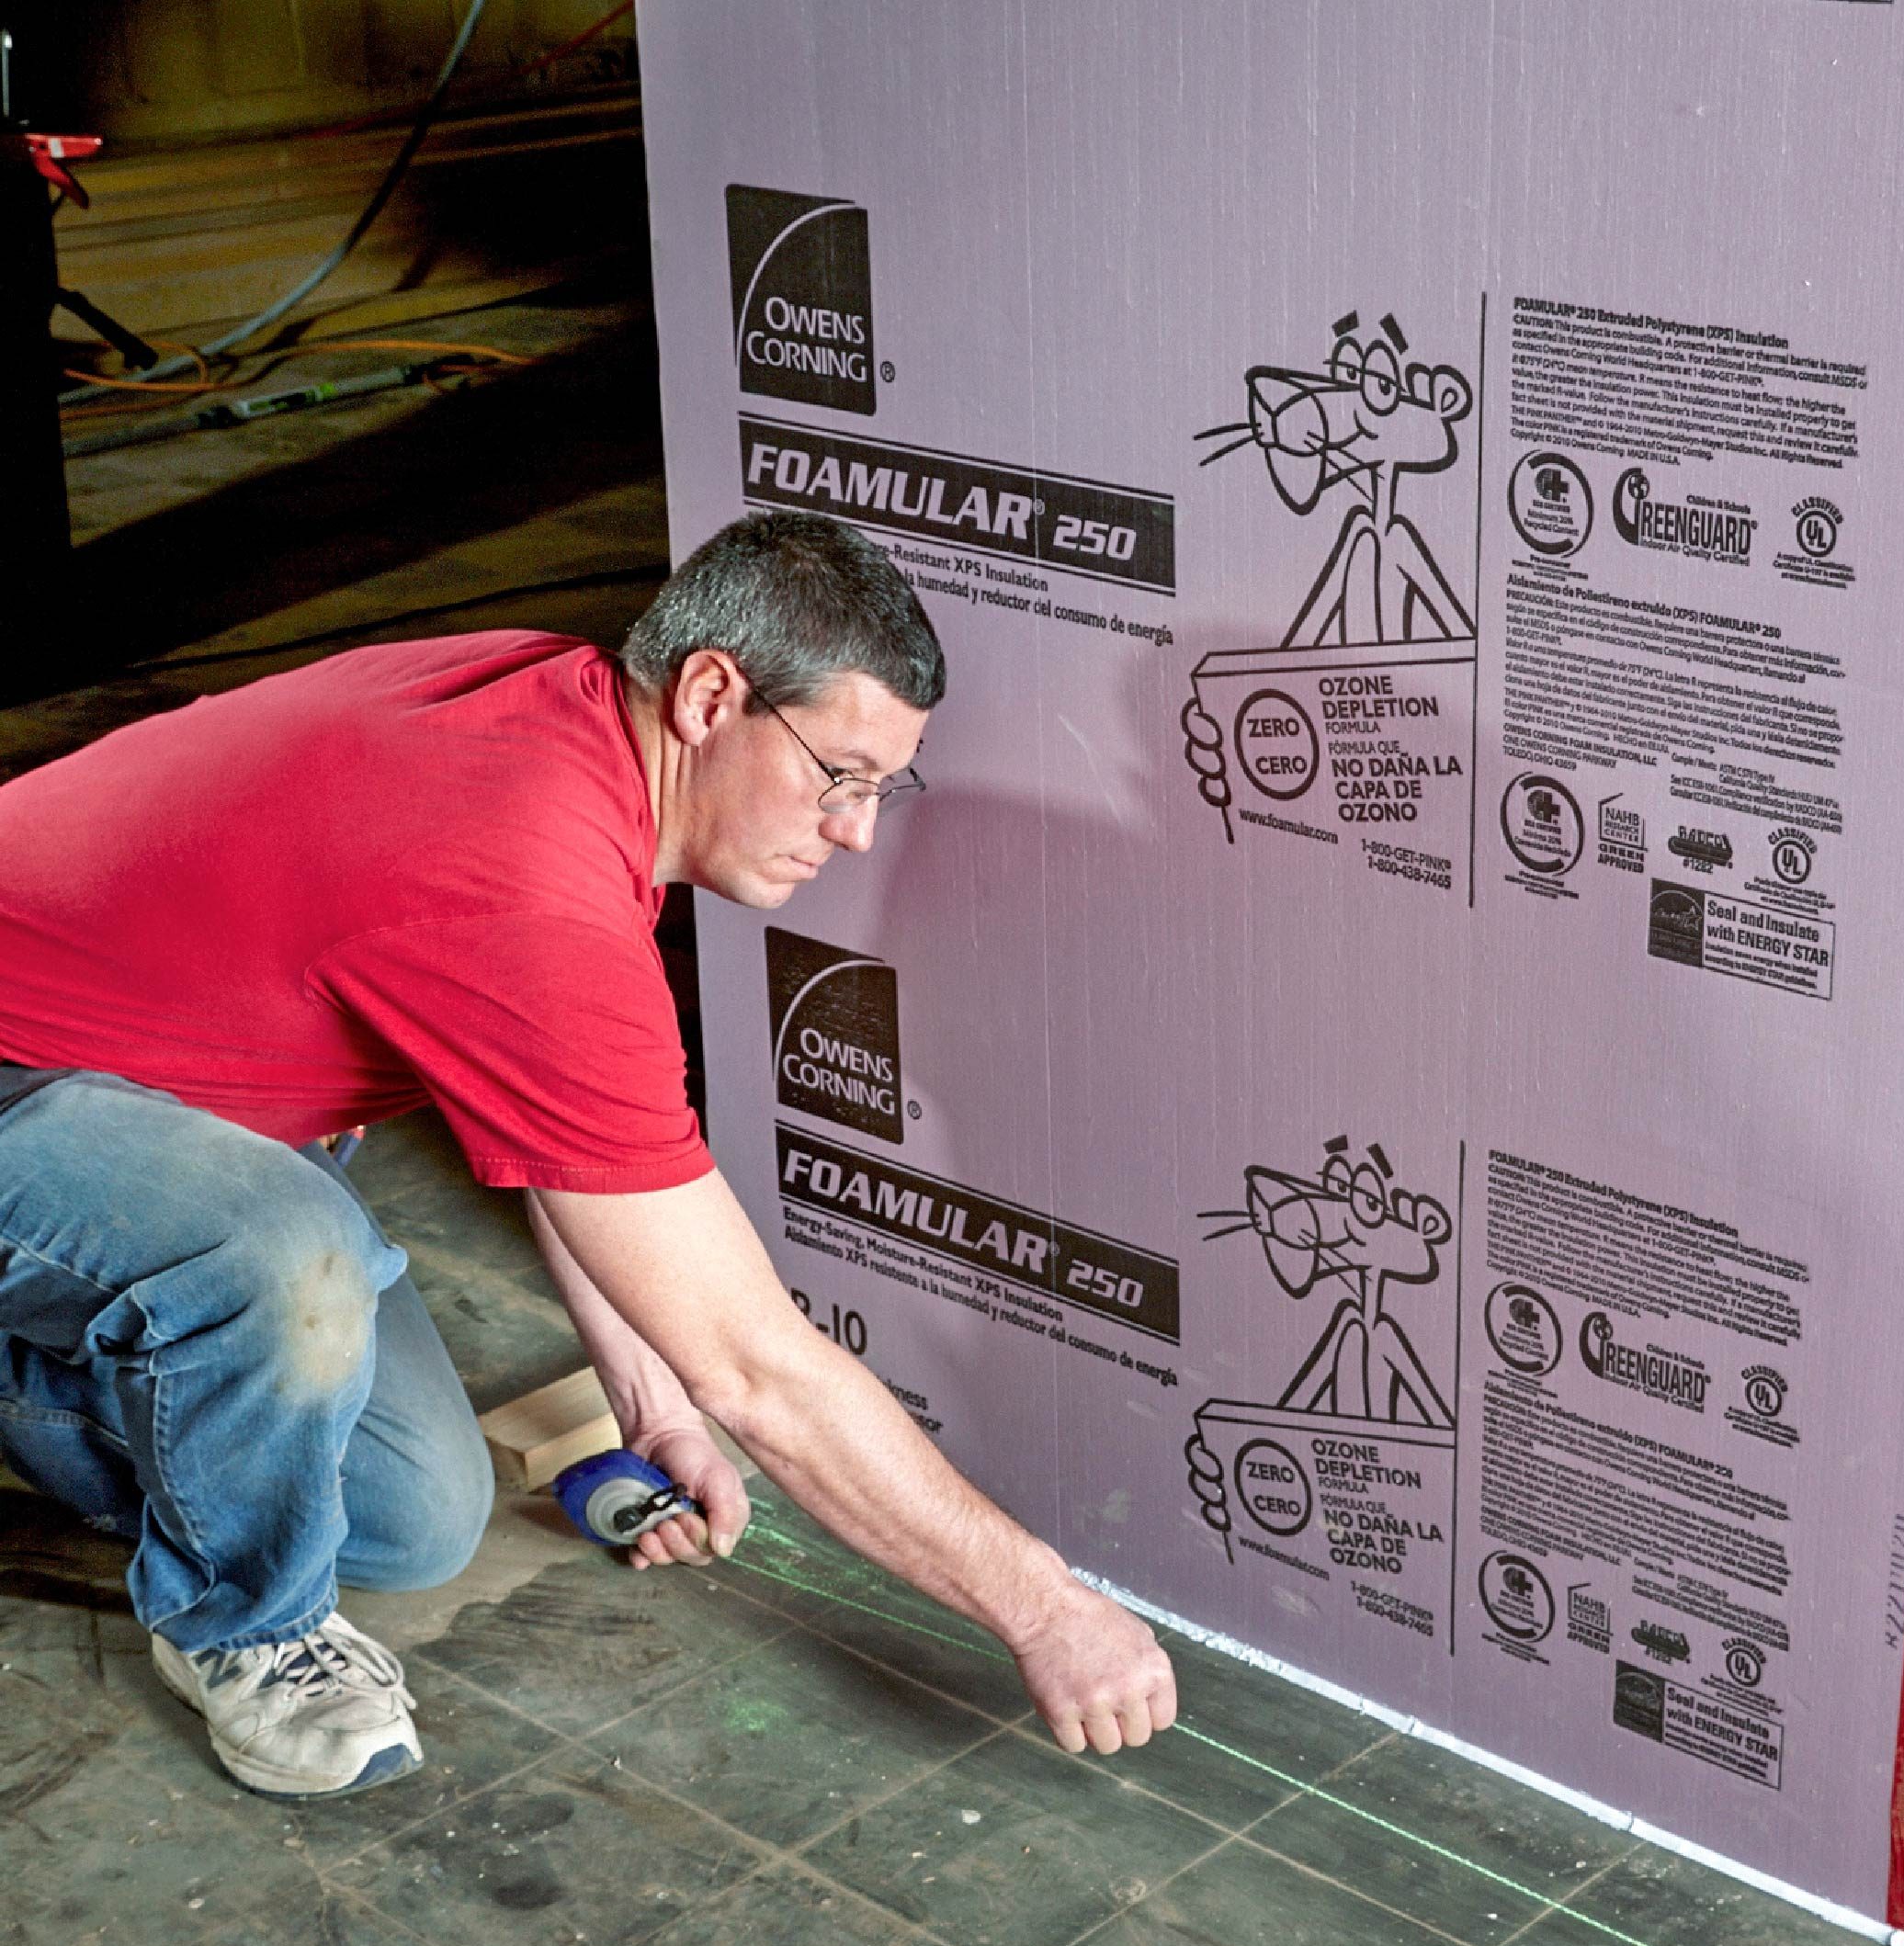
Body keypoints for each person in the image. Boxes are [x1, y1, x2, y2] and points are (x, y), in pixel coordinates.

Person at [0, 511, 1177, 1799]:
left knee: (406, 1519)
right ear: (712, 695)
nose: (856, 833)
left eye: (882, 790)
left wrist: (650, 1399)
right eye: (840, 776)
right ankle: (243, 1632)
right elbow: (760, 1367)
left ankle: (76, 1353)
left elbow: (562, 1136)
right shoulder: (525, 877)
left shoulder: (574, 727)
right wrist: (1047, 1609)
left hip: (146, 1089)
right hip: (30, 1080)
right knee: (287, 1259)